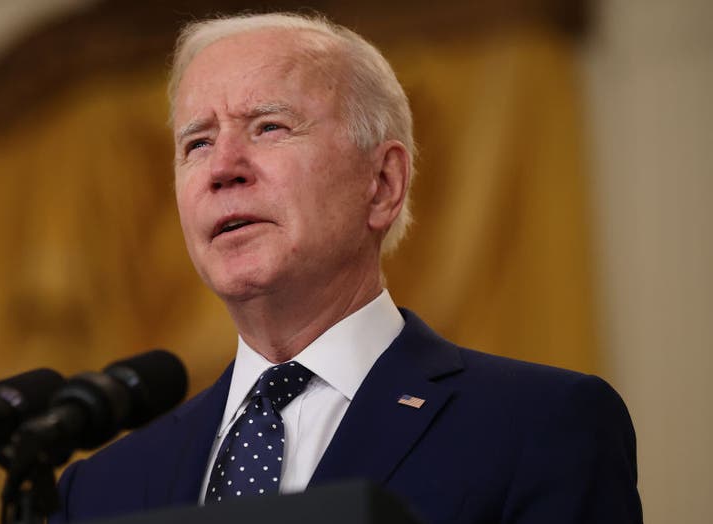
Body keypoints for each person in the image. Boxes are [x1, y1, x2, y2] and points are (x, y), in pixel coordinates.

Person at [51, 12, 641, 524]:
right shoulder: (100, 492)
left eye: (269, 127)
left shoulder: (539, 428)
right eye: (197, 143)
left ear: (382, 184)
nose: (222, 168)